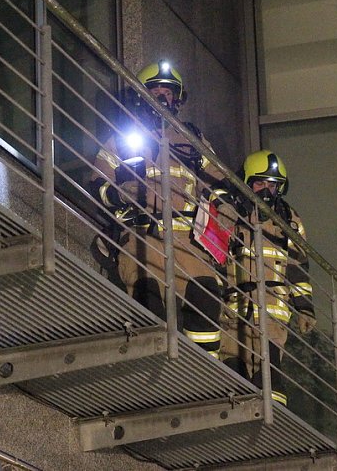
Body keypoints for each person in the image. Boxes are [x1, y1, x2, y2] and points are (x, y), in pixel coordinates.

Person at [90, 59, 233, 358]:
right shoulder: (121, 139)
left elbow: (221, 184)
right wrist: (120, 198)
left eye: (169, 92)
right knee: (150, 304)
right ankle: (154, 370)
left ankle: (205, 373)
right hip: (144, 237)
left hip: (191, 246)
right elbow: (97, 186)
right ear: (141, 94)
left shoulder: (193, 142)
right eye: (155, 90)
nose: (163, 97)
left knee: (205, 300)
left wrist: (225, 203)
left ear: (177, 99)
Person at [220, 150, 316, 406]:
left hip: (273, 313)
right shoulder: (231, 212)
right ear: (247, 182)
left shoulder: (290, 221)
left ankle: (274, 428)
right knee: (233, 369)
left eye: (272, 185)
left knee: (270, 372)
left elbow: (298, 268)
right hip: (233, 310)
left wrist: (305, 308)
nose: (266, 190)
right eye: (259, 183)